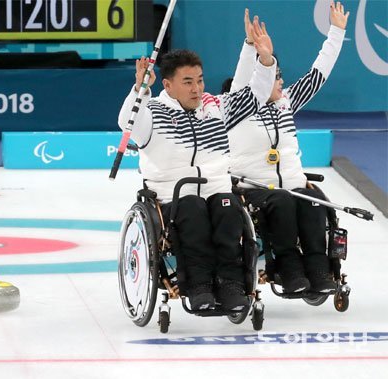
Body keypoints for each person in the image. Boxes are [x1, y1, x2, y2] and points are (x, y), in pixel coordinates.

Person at [118, 19, 277, 312]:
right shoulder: (153, 112)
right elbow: (127, 122)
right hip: (173, 197)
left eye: (200, 80)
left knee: (230, 211)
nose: (196, 88)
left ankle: (231, 284)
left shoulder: (214, 107)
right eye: (188, 82)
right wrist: (139, 90)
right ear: (168, 85)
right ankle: (199, 285)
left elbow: (253, 95)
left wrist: (265, 60)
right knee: (193, 209)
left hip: (217, 190)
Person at [228, 3, 349, 293]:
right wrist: (250, 46)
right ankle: (288, 267)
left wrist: (336, 32)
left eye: (280, 75)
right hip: (254, 187)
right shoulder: (237, 107)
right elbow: (242, 78)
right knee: (281, 201)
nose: (281, 81)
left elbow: (318, 75)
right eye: (274, 76)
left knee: (311, 199)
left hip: (293, 183)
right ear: (260, 79)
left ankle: (319, 268)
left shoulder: (287, 102)